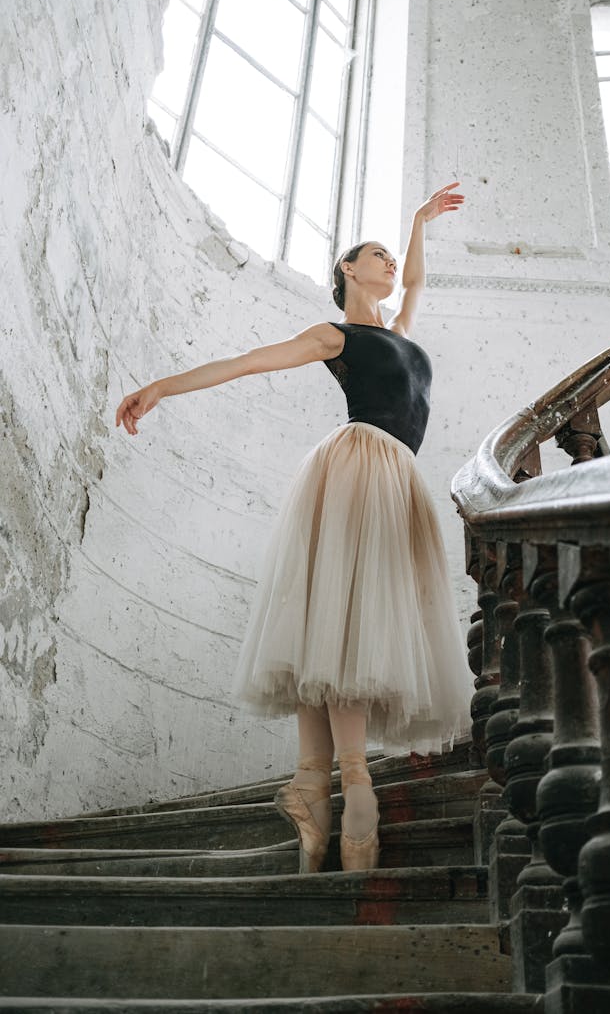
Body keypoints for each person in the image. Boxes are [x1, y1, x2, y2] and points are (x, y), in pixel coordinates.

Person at [115, 182, 473, 874]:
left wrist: (418, 222)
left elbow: (418, 278)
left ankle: (313, 789)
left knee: (340, 627)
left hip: (398, 478)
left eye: (390, 255)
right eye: (377, 255)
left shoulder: (399, 331)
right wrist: (163, 385)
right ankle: (356, 791)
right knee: (340, 626)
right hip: (358, 463)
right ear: (347, 270)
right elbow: (249, 362)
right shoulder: (332, 335)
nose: (390, 263)